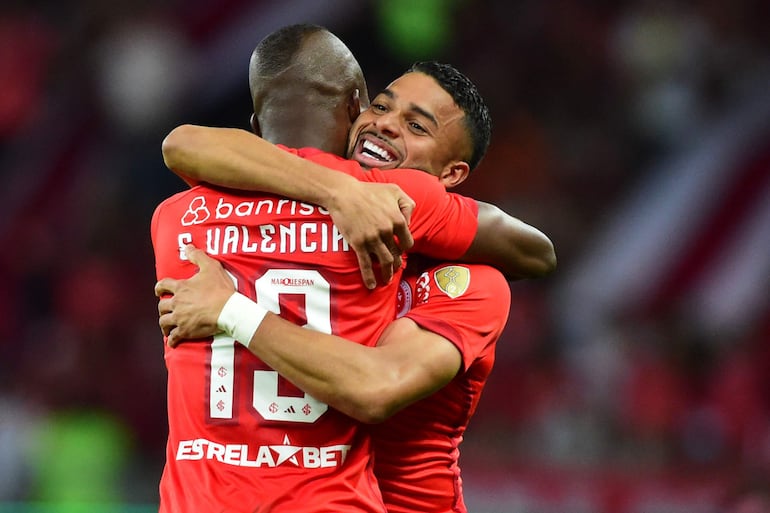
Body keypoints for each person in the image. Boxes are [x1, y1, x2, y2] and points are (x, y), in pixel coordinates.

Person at [151, 24, 552, 513]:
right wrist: (339, 190)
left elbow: (538, 253)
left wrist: (230, 310)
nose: (385, 124)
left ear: (452, 177)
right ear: (354, 107)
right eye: (380, 107)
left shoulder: (471, 283)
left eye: (417, 126)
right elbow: (183, 143)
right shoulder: (339, 196)